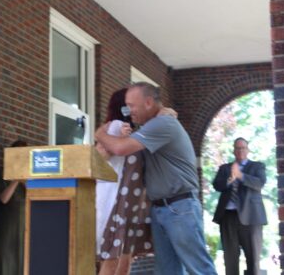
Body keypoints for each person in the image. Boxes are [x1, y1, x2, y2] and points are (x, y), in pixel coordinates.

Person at [95, 82, 217, 275]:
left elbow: (119, 148)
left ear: (149, 102)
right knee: (167, 270)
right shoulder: (153, 126)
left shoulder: (163, 124)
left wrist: (99, 133)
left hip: (179, 206)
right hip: (162, 208)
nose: (128, 111)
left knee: (198, 268)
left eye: (132, 105)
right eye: (126, 105)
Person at [96, 88, 153, 275]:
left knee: (122, 256)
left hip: (125, 200)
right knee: (115, 256)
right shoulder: (115, 126)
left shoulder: (132, 131)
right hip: (115, 198)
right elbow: (100, 156)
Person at [212, 137, 267, 275]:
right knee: (230, 258)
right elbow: (217, 185)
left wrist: (240, 175)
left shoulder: (257, 167)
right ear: (233, 150)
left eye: (243, 148)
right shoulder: (224, 168)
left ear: (247, 150)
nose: (240, 150)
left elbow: (259, 183)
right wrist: (230, 179)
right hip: (228, 217)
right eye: (237, 148)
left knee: (253, 258)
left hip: (251, 218)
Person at [0, 140, 27, 275]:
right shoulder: (4, 172)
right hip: (8, 226)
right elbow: (4, 198)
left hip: (24, 227)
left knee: (22, 260)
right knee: (5, 259)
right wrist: (16, 180)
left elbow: (35, 196)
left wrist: (24, 181)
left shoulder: (29, 175)